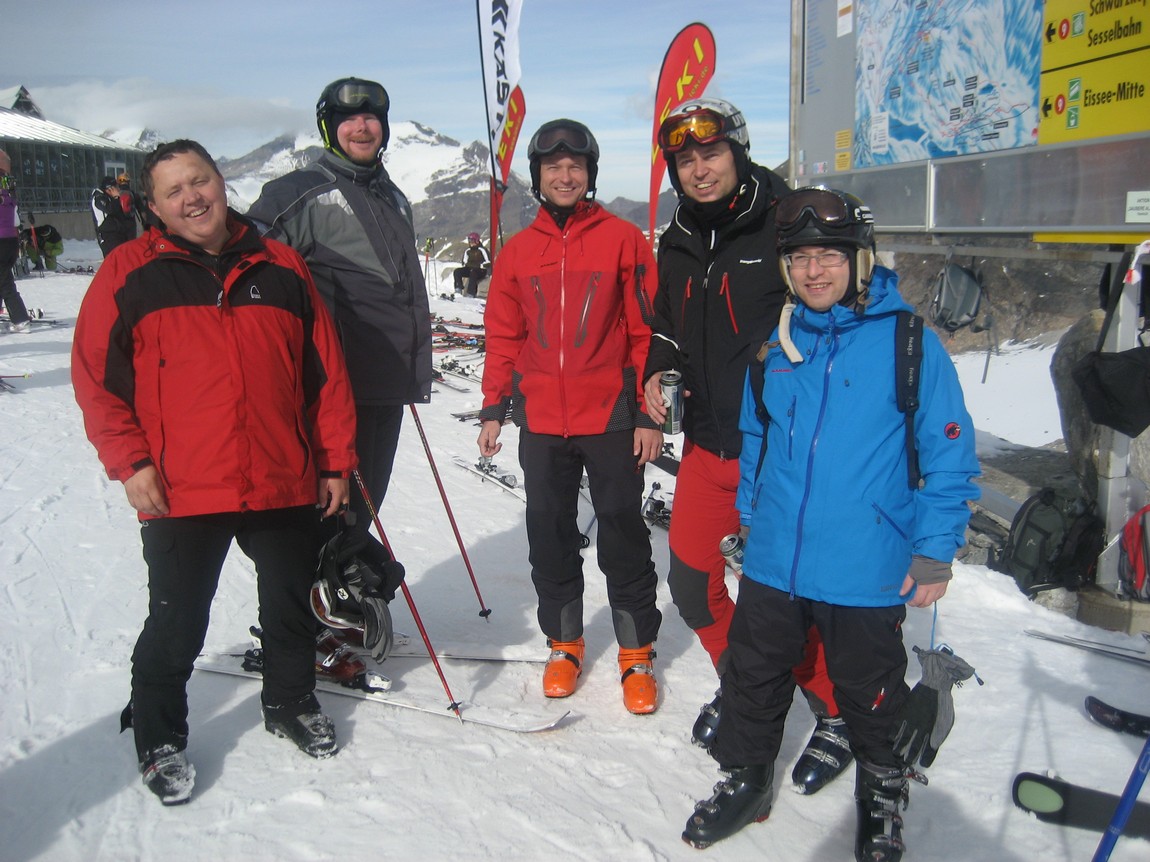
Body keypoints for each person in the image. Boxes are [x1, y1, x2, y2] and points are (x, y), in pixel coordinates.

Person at [681, 187, 979, 859]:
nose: (814, 271)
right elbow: (757, 440)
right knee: (754, 677)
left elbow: (949, 454)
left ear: (860, 260)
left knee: (870, 692)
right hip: (775, 557)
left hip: (865, 562)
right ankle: (748, 779)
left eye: (830, 256)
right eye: (800, 258)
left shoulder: (909, 344)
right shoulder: (776, 345)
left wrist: (934, 549)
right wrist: (752, 520)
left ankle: (880, 797)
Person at [71, 140, 358, 806]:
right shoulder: (129, 272)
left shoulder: (280, 265)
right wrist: (130, 462)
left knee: (289, 606)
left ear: (221, 182)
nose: (191, 197)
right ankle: (158, 733)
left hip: (280, 472)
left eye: (199, 180)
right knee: (177, 620)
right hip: (182, 484)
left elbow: (325, 373)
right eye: (173, 190)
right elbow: (96, 379)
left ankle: (290, 702)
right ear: (153, 206)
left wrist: (335, 460)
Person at [643, 97, 851, 793]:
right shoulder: (677, 235)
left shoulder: (786, 221)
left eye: (712, 153)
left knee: (788, 602)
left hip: (784, 455)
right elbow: (666, 323)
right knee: (691, 583)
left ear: (738, 150)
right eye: (685, 160)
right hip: (709, 446)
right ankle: (746, 687)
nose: (699, 170)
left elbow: (842, 313)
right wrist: (657, 367)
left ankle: (837, 713)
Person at [477, 119, 663, 715]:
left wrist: (649, 414)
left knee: (622, 529)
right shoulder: (517, 252)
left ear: (590, 174)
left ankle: (636, 653)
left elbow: (646, 332)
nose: (564, 176)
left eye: (575, 166)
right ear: (537, 177)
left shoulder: (623, 240)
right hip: (540, 418)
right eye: (553, 167)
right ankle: (564, 644)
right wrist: (493, 407)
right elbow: (503, 336)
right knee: (549, 531)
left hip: (610, 413)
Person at [247, 77, 432, 526]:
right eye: (348, 118)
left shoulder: (391, 195)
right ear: (329, 128)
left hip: (387, 386)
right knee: (330, 520)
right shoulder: (299, 193)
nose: (362, 127)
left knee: (361, 519)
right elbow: (245, 268)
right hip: (337, 393)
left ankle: (353, 572)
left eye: (371, 117)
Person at [0, 149, 33, 333]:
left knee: (5, 282)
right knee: (2, 278)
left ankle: (20, 320)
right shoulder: (10, 197)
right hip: (11, 242)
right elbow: (16, 221)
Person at [90, 175, 137, 258]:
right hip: (107, 235)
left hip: (117, 233)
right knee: (114, 258)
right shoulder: (99, 198)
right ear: (110, 189)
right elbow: (111, 209)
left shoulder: (110, 198)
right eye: (116, 187)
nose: (118, 190)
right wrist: (116, 197)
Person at [453, 231, 491, 296]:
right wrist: (468, 266)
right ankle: (458, 289)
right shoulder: (468, 251)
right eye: (470, 241)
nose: (471, 243)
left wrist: (480, 265)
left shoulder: (482, 250)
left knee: (473, 272)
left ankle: (470, 293)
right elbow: (464, 262)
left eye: (472, 241)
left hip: (481, 270)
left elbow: (488, 261)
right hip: (471, 269)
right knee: (457, 271)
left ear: (477, 241)